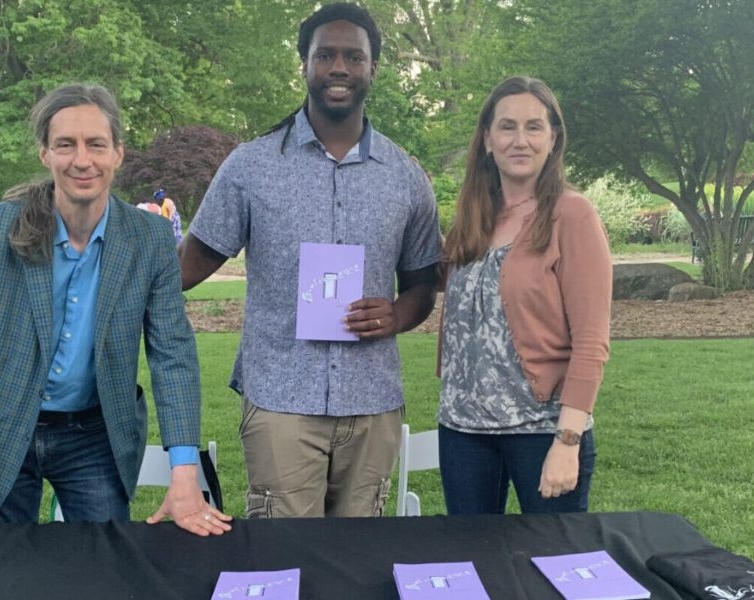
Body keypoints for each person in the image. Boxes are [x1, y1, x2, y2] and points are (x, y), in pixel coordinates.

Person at [0, 83, 231, 553]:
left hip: (95, 434)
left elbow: (172, 356)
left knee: (103, 567)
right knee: (4, 568)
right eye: (65, 144)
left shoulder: (150, 239)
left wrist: (184, 474)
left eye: (96, 144)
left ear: (118, 153)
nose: (82, 160)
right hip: (6, 429)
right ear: (45, 153)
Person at [180, 3, 441, 518]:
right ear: (304, 64)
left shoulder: (405, 176)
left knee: (358, 554)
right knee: (286, 554)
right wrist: (113, 274)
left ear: (373, 68)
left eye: (353, 57)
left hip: (371, 401)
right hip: (281, 399)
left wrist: (396, 314)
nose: (339, 67)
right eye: (325, 55)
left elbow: (422, 284)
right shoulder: (252, 165)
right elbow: (190, 263)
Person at [437, 75, 611, 515]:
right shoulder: (473, 218)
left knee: (553, 558)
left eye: (534, 127)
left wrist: (568, 440)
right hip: (463, 433)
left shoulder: (572, 215)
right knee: (471, 557)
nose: (520, 140)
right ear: (487, 139)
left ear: (553, 139)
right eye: (507, 127)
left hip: (542, 432)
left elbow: (591, 342)